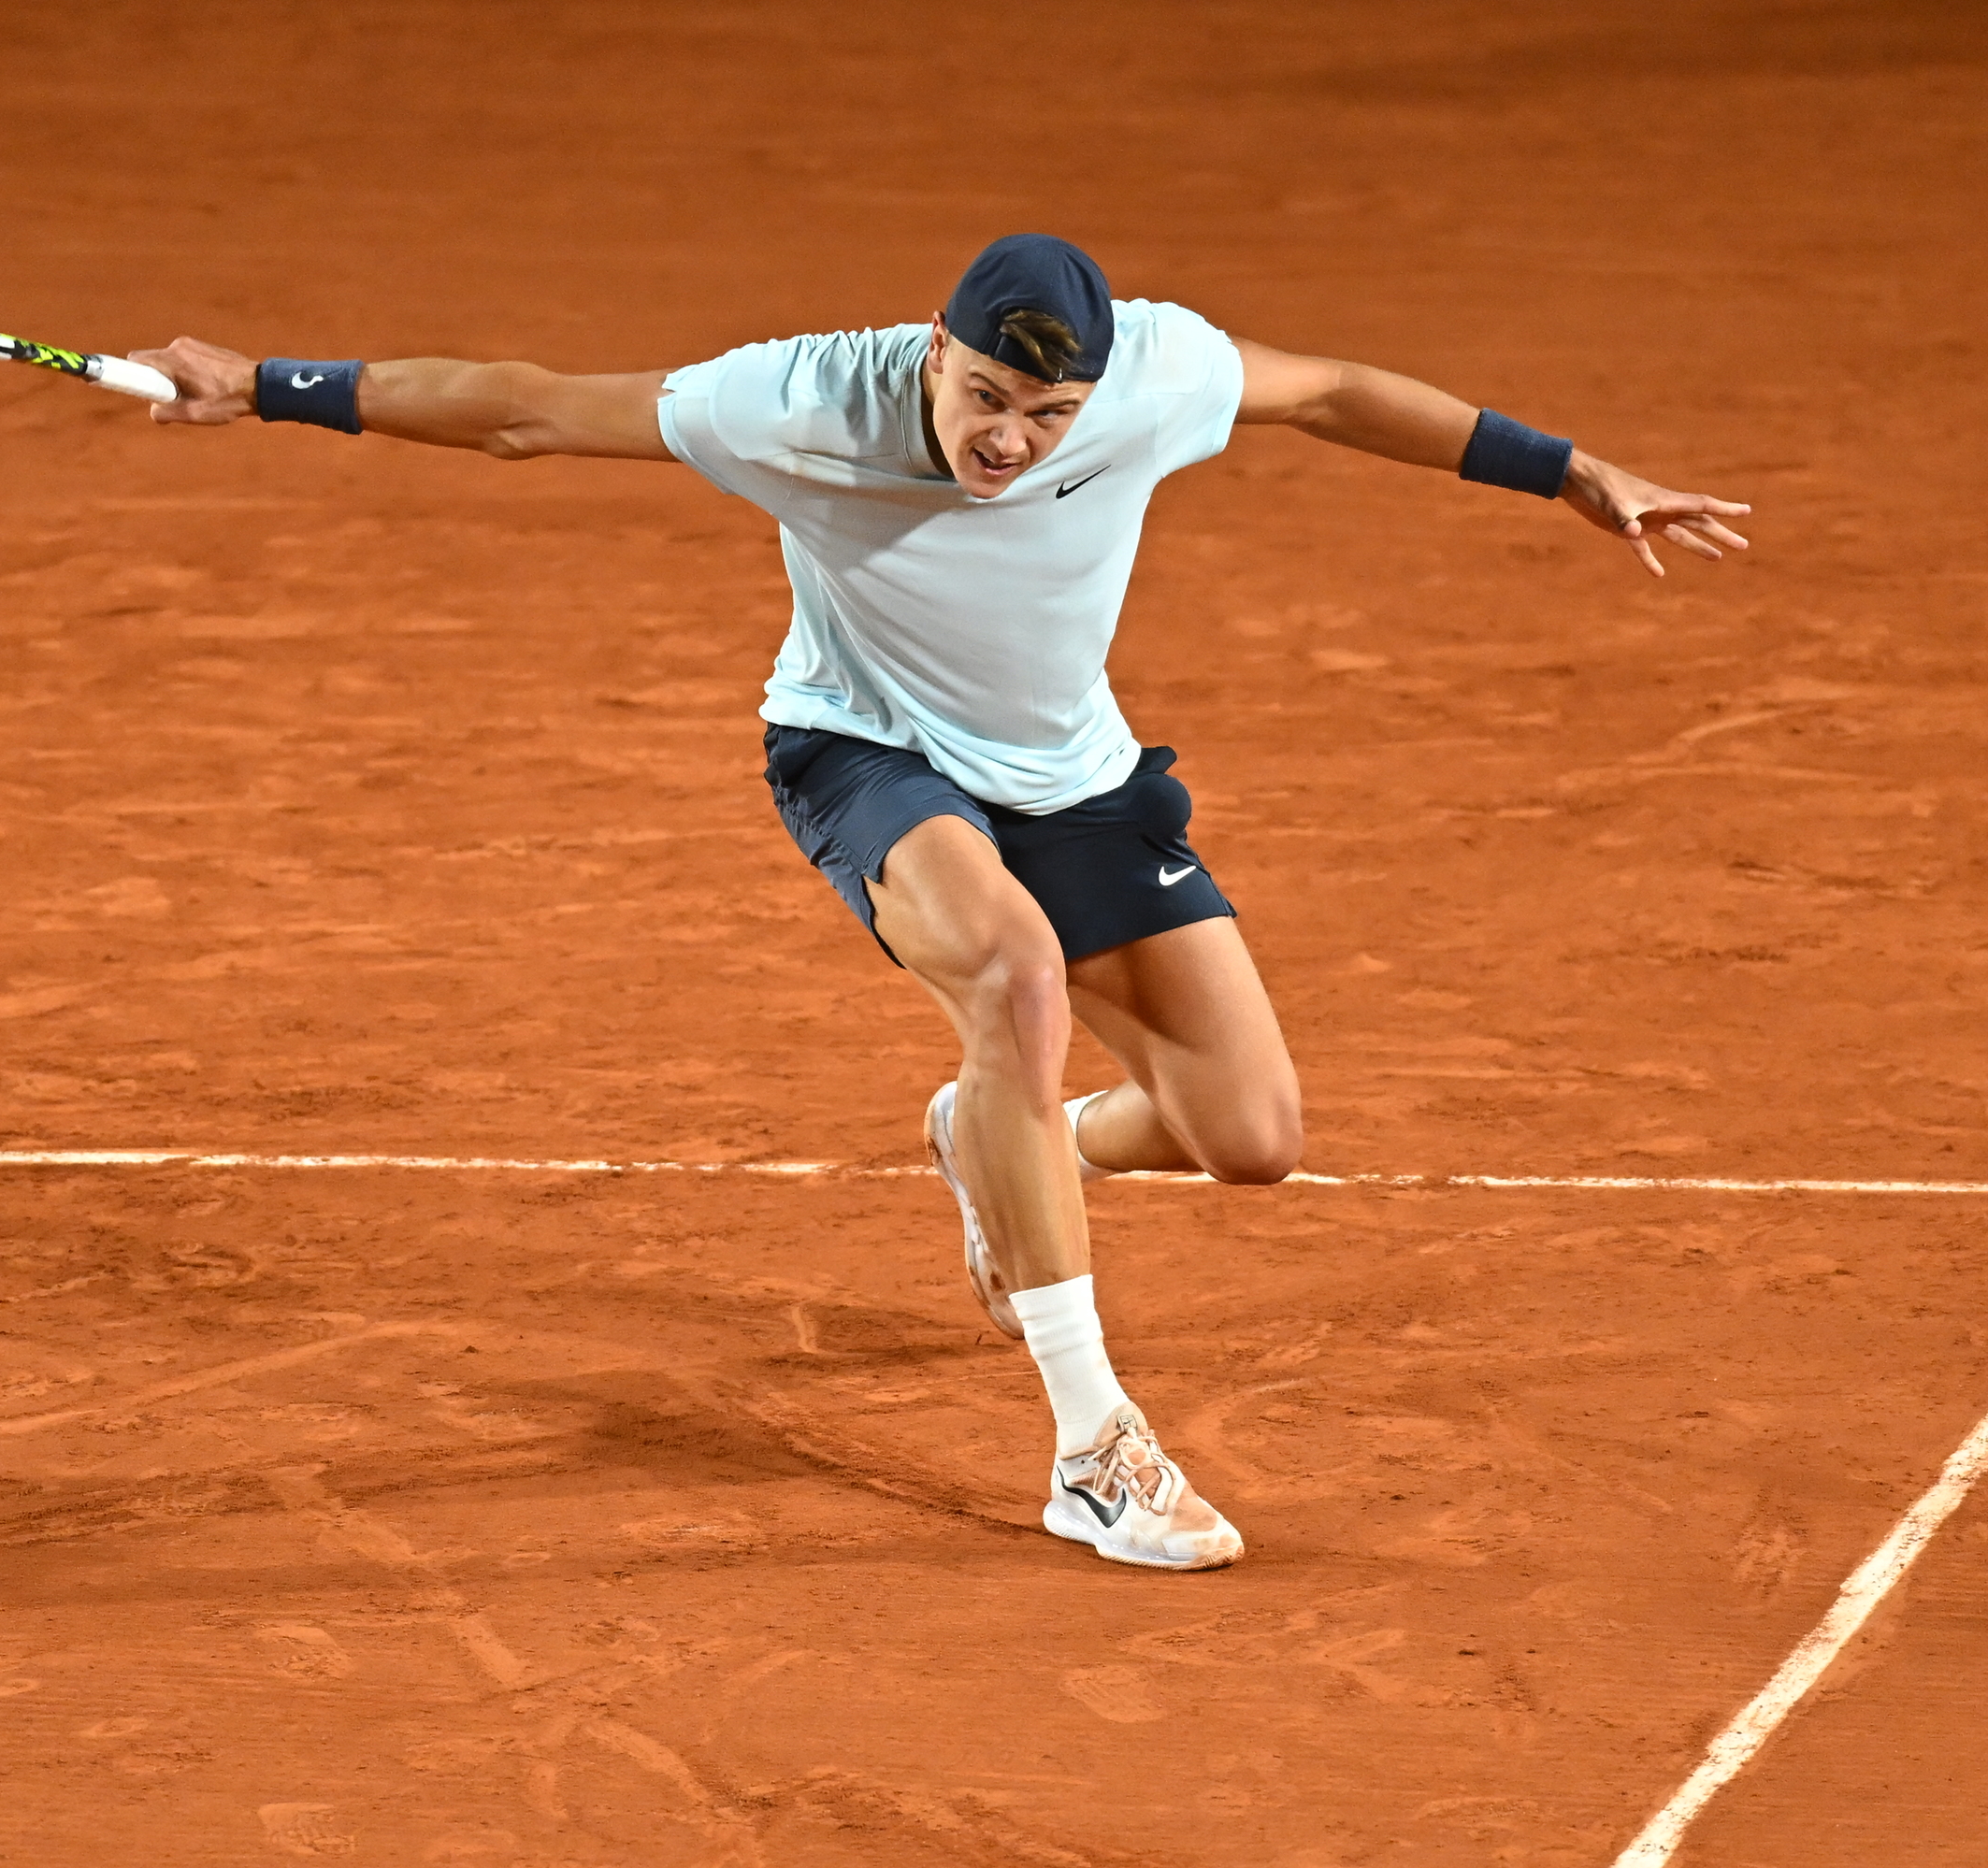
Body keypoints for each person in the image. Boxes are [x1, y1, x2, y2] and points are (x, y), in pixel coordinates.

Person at [127, 235, 1751, 1571]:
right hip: (868, 754)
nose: (1011, 442)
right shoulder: (792, 402)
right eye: (987, 398)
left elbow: (1326, 391)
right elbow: (526, 411)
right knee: (1017, 980)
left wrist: (1568, 473)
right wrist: (268, 387)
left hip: (1080, 775)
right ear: (930, 349)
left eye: (1048, 415)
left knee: (1250, 1132)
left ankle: (988, 1135)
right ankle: (1094, 1451)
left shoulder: (1156, 375)